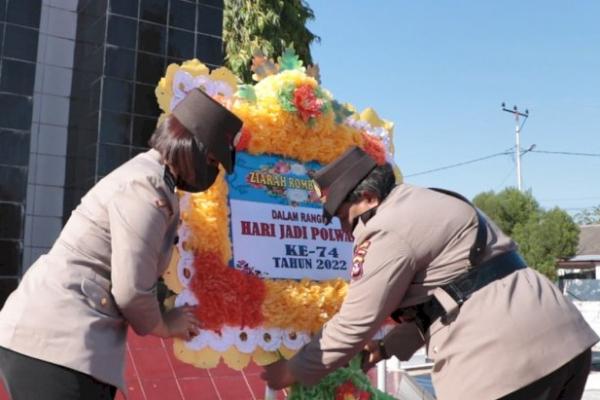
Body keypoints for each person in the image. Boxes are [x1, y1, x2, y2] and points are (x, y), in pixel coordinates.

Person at [261, 146, 598, 400]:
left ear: (367, 197)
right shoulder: (429, 201)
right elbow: (457, 292)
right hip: (565, 342)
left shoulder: (386, 229)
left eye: (341, 216)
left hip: (508, 365)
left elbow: (354, 323)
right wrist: (387, 348)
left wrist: (292, 370)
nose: (343, 228)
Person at [0, 89, 243, 399]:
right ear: (191, 147)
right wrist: (166, 325)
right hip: (57, 341)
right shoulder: (146, 188)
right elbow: (131, 291)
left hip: (56, 340)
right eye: (212, 161)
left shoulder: (151, 179)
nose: (213, 172)